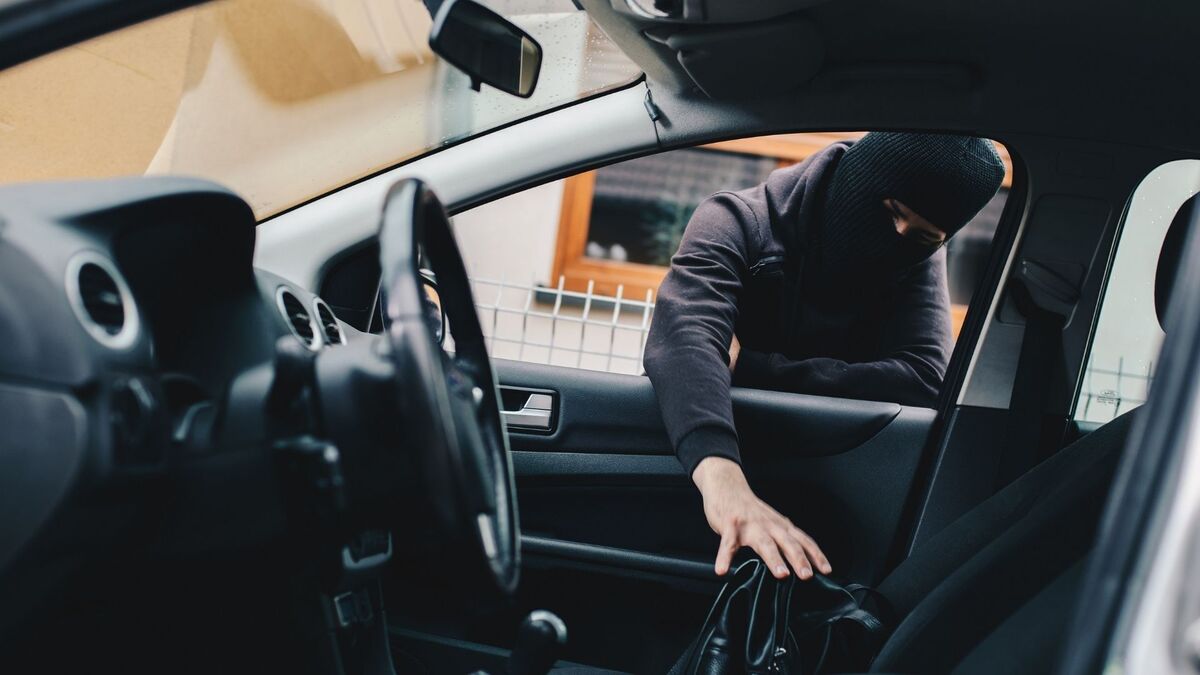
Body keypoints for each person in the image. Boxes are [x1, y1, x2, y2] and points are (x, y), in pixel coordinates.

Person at [643, 132, 1006, 582]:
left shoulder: (918, 257)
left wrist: (754, 367)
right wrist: (723, 481)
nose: (896, 240)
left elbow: (926, 378)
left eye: (924, 236)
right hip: (724, 473)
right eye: (891, 212)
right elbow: (685, 339)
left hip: (842, 486)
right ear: (858, 178)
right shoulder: (740, 220)